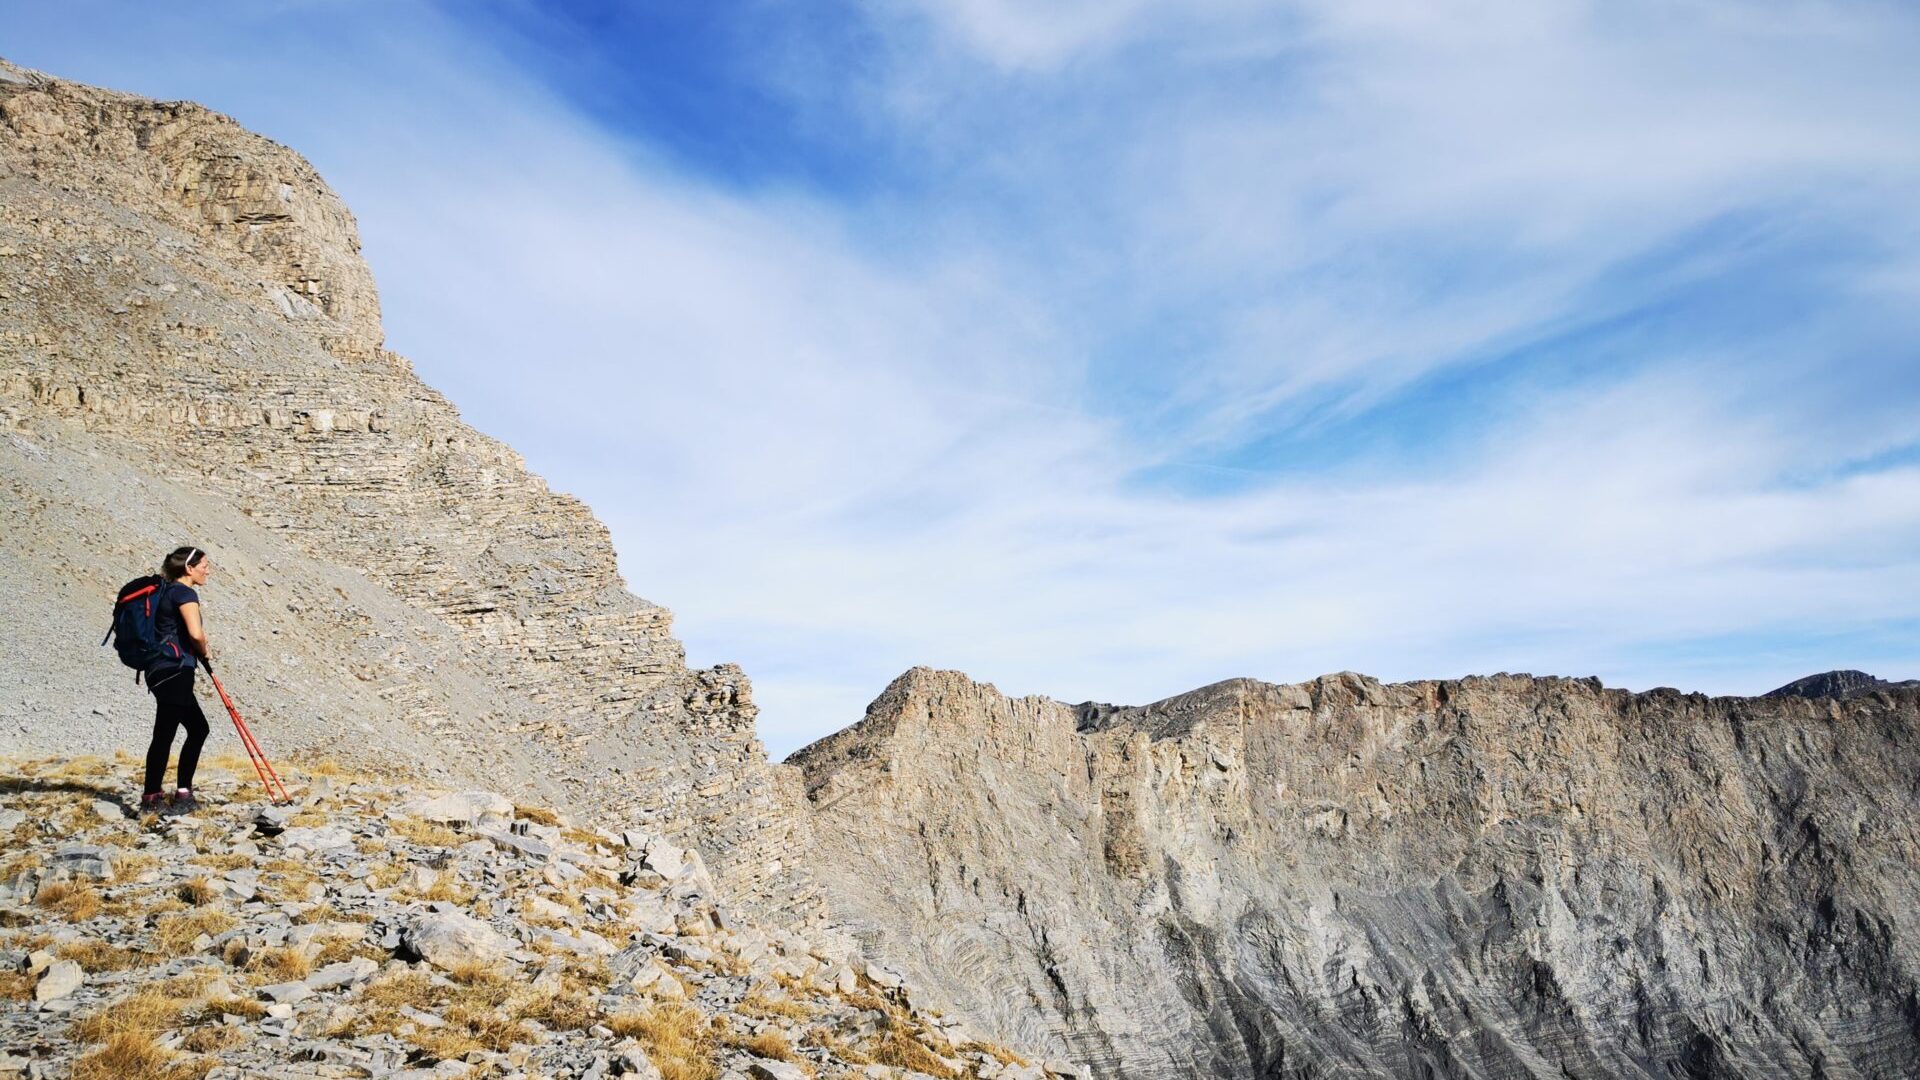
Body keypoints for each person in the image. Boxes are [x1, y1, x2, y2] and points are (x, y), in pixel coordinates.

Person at [143, 546, 213, 815]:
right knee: (174, 732)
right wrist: (205, 650)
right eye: (204, 565)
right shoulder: (185, 592)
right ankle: (166, 796)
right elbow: (196, 633)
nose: (208, 570)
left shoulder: (165, 591)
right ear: (189, 568)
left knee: (187, 729)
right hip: (176, 669)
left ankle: (163, 794)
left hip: (159, 670)